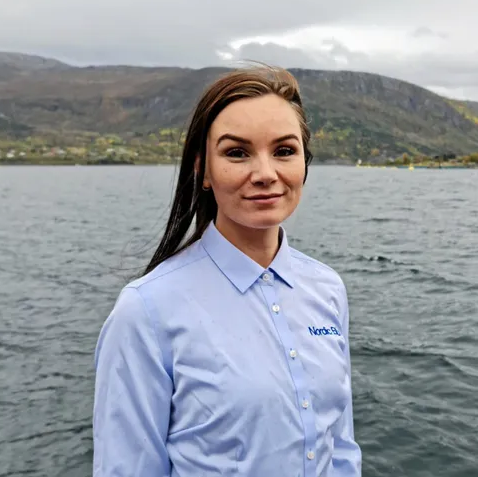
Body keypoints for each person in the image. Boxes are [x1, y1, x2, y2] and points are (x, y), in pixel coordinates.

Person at [92, 65, 361, 477]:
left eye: (284, 151)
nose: (266, 174)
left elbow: (340, 445)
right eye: (237, 152)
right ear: (202, 169)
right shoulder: (147, 310)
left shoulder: (326, 288)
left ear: (305, 163)